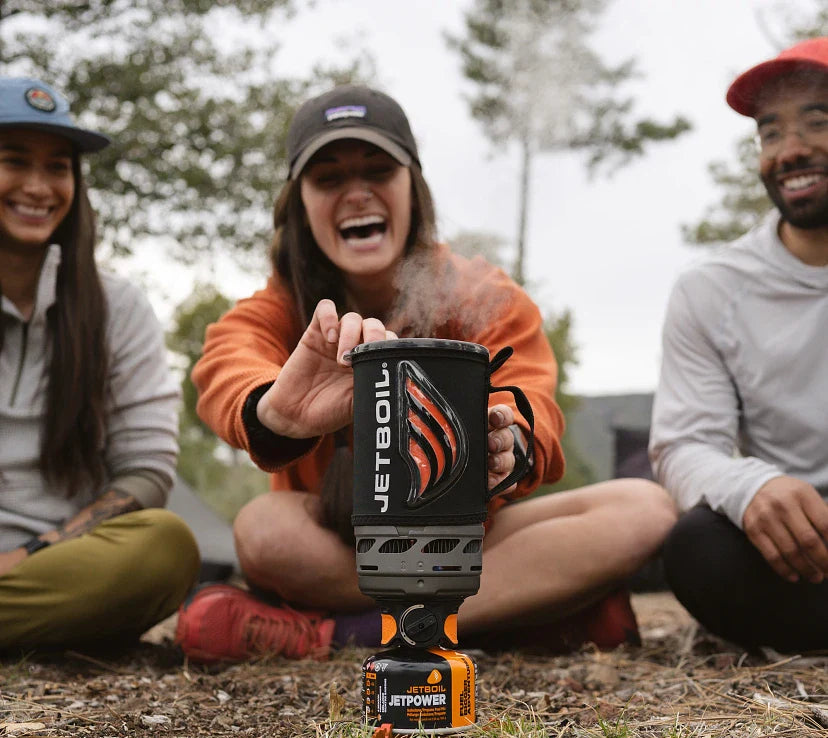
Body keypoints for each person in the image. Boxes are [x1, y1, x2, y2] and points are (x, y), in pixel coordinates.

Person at [176, 85, 676, 663]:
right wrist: (273, 411)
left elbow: (528, 396)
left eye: (378, 170)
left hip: (463, 541)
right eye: (329, 178)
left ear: (413, 188)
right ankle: (525, 609)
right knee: (263, 529)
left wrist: (508, 443)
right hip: (336, 545)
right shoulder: (280, 307)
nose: (357, 192)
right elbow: (226, 361)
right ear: (299, 205)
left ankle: (339, 635)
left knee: (645, 507)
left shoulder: (479, 293)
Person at [0, 78, 199, 652]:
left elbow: (147, 471)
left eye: (58, 167)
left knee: (165, 546)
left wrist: (32, 552)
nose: (38, 187)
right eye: (15, 161)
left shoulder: (120, 306)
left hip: (61, 564)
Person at [649, 37, 828, 652]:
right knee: (698, 547)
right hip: (806, 541)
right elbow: (685, 445)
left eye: (817, 122)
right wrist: (750, 488)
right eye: (770, 132)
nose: (791, 150)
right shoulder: (710, 288)